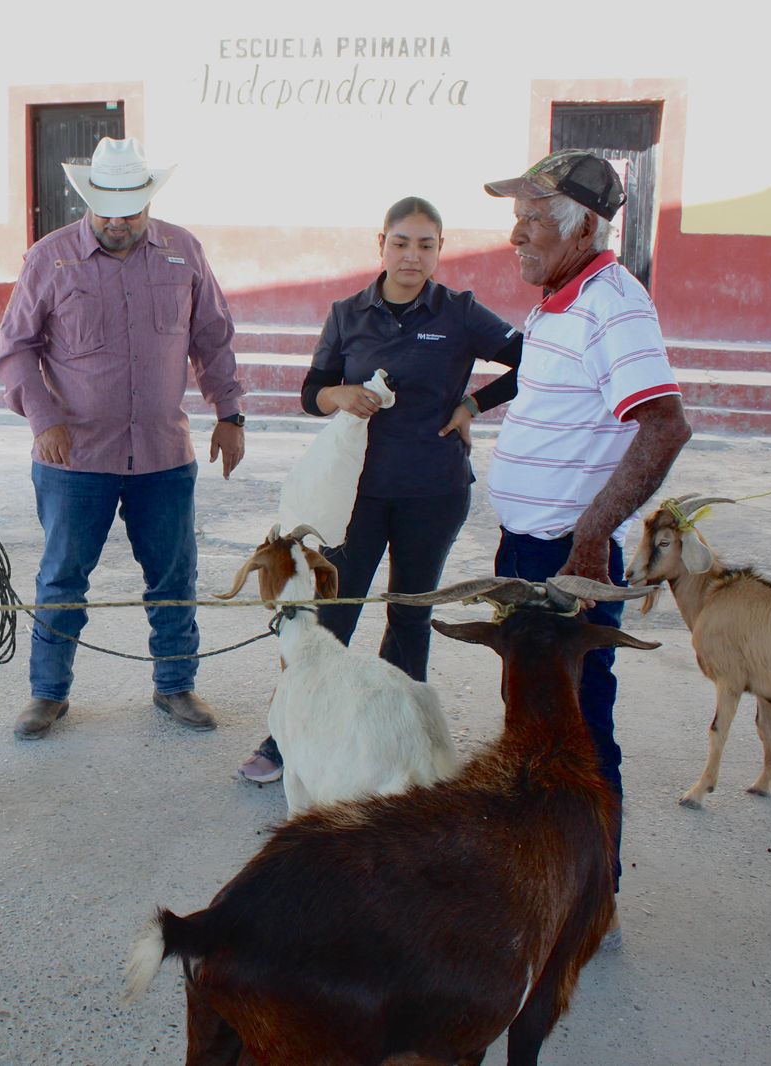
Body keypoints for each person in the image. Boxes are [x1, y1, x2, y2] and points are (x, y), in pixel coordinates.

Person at [238, 196, 525, 784]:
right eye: (401, 243)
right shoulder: (348, 314)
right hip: (357, 496)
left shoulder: (460, 313)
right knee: (330, 616)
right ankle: (289, 736)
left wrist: (474, 404)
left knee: (409, 617)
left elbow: (532, 361)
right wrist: (338, 395)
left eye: (425, 245)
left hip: (434, 491)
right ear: (382, 245)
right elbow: (312, 391)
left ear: (440, 250)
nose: (412, 256)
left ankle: (401, 740)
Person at [482, 149, 692, 943]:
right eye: (517, 217)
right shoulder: (559, 304)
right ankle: (541, 875)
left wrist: (593, 532)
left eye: (533, 219)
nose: (516, 234)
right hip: (528, 551)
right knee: (533, 718)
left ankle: (588, 902)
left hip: (566, 563)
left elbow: (665, 425)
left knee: (577, 726)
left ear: (582, 228)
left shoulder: (613, 304)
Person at [0, 136, 246, 740]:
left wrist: (230, 414)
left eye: (131, 211)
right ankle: (47, 694)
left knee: (173, 577)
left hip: (163, 454)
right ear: (88, 202)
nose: (117, 223)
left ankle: (175, 685)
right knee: (62, 579)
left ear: (149, 202)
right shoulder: (50, 259)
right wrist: (43, 419)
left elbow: (212, 337)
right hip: (74, 458)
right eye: (106, 211)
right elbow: (15, 349)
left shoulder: (184, 252)